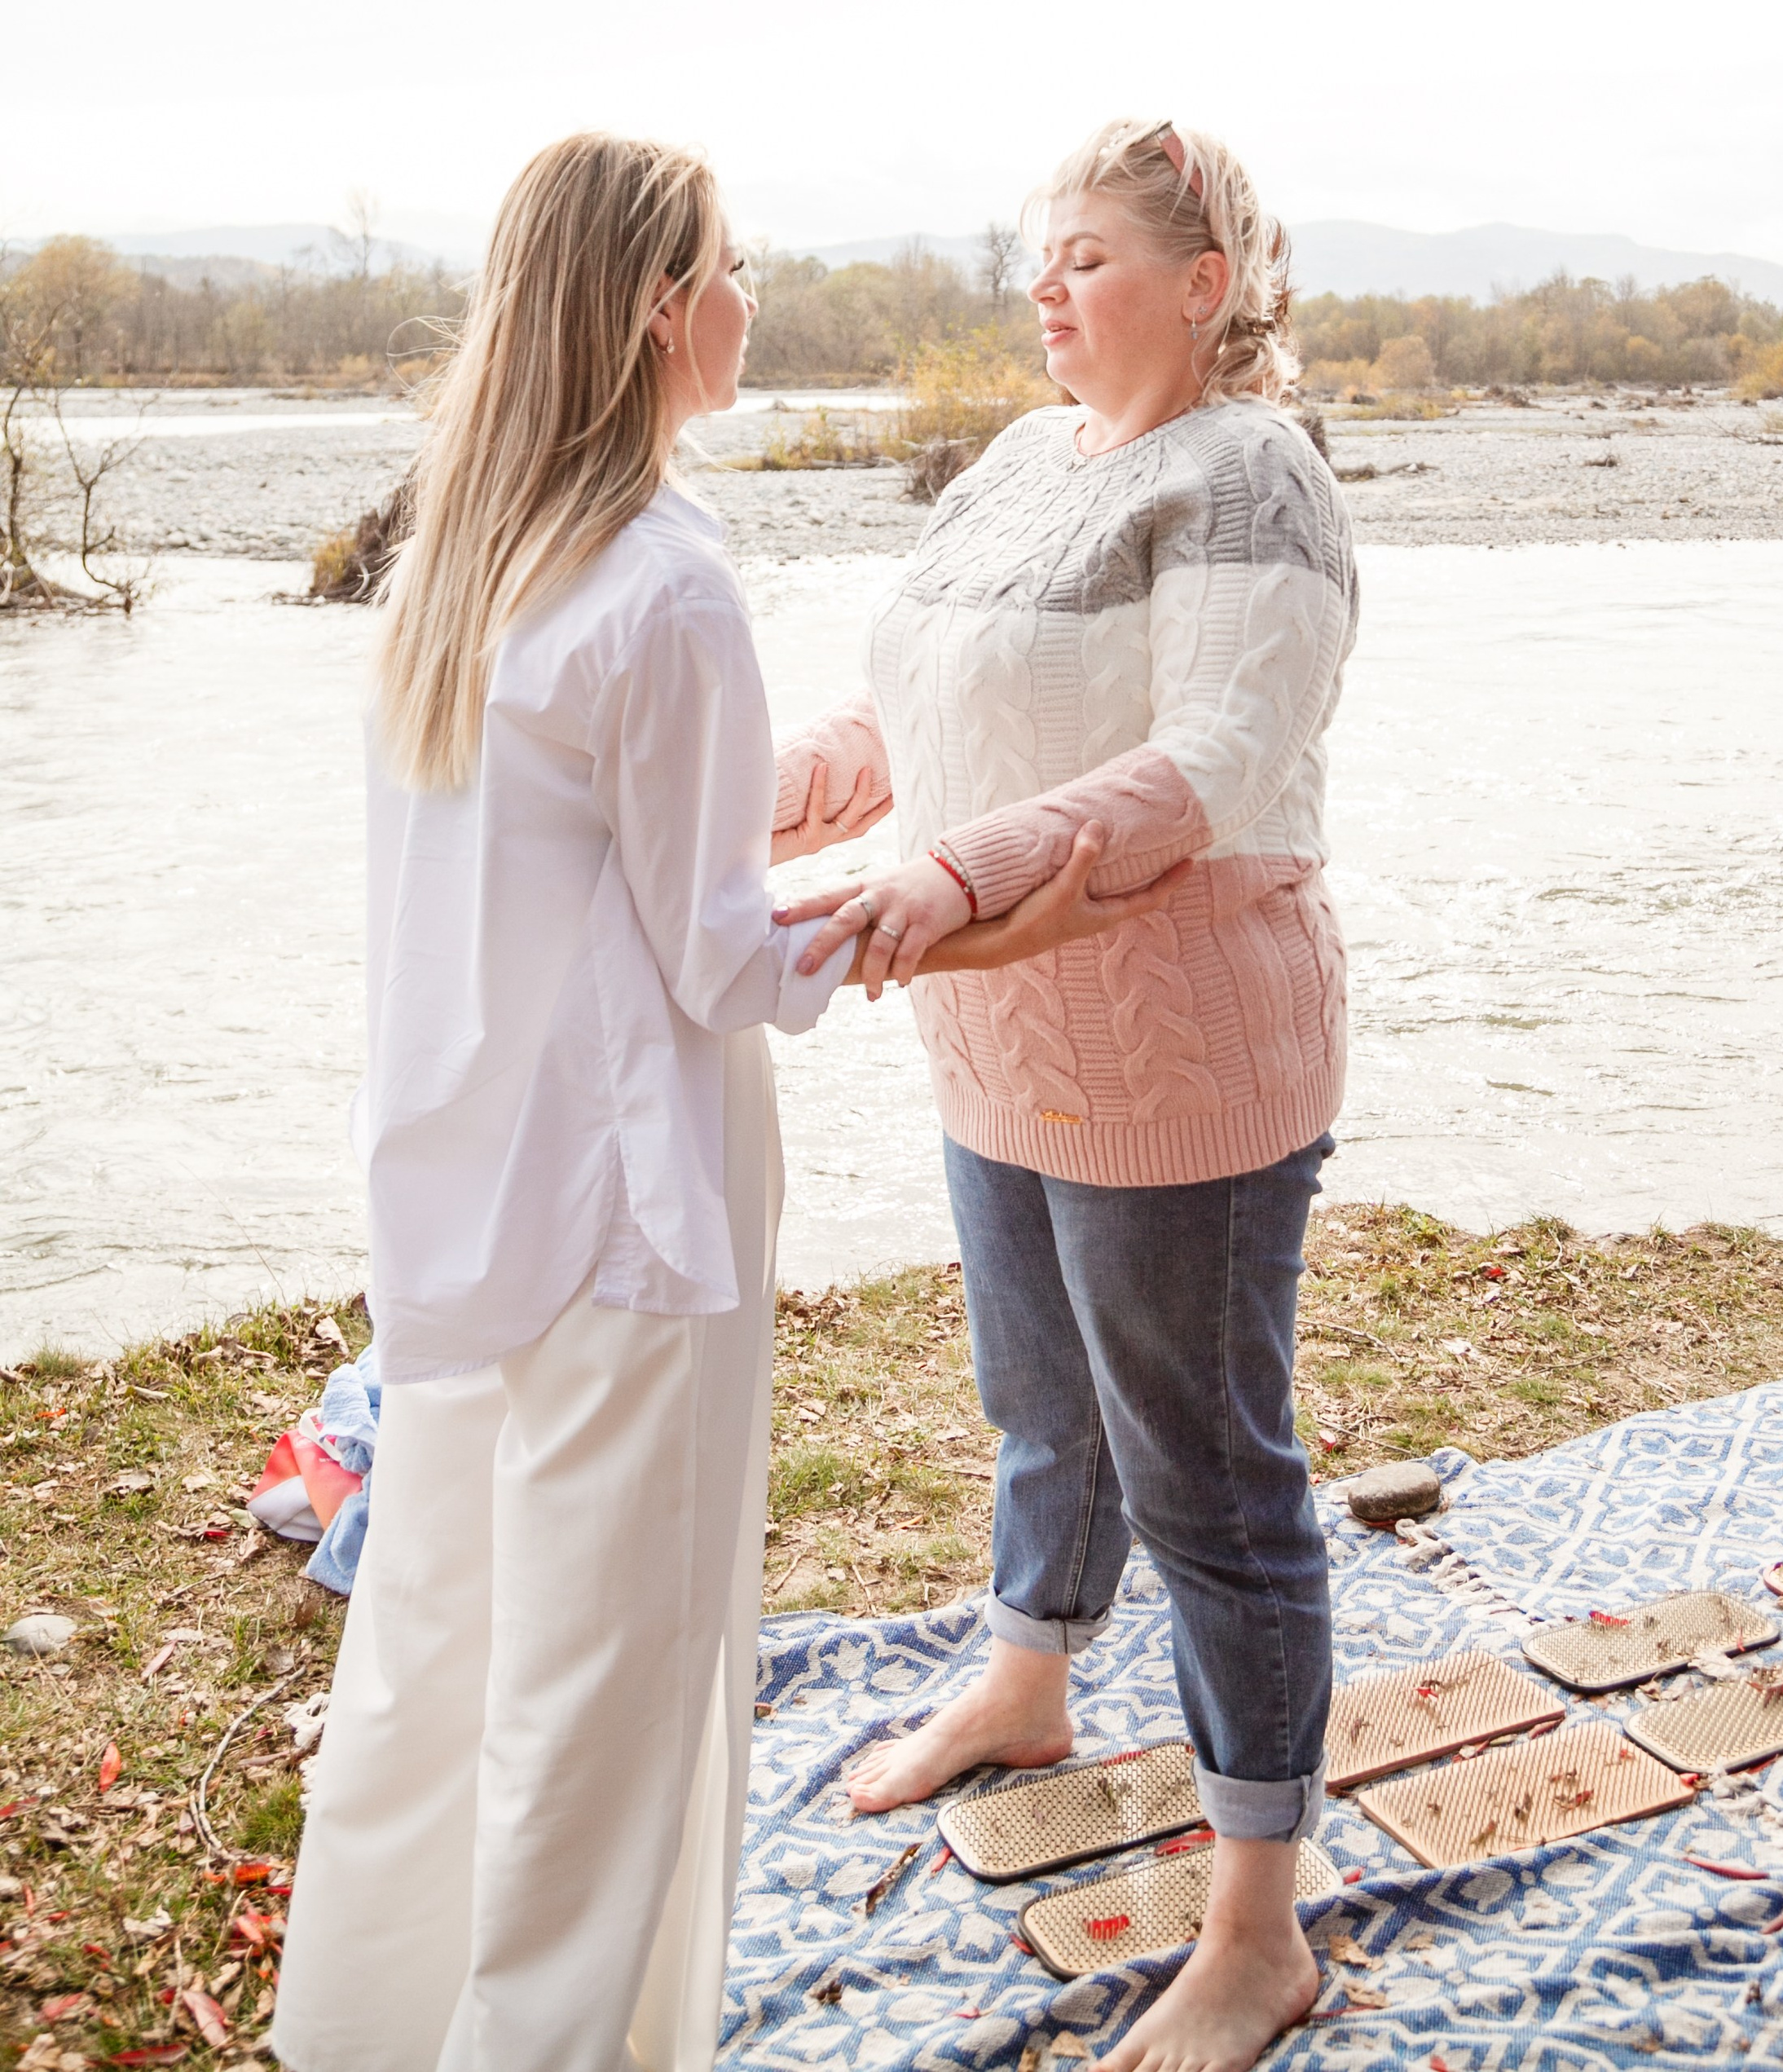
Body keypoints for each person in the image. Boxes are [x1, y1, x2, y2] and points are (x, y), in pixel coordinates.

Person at [271, 130, 1174, 2072]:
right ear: (653, 308)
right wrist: (982, 933)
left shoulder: (462, 554)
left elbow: (546, 877)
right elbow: (712, 966)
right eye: (732, 264)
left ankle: (359, 2030)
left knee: (439, 1654)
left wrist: (762, 798)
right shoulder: (663, 578)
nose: (754, 297)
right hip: (628, 1214)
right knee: (612, 1711)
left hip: (463, 1193)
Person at [776, 118, 1358, 2072]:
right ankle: (1030, 1682)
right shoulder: (1028, 459)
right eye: (1036, 255)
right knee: (1038, 1402)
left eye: (1086, 255)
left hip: (1181, 1048)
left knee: (1209, 1479)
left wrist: (945, 872)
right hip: (996, 1028)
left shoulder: (1253, 475)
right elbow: (942, 695)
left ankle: (1256, 1923)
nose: (1042, 287)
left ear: (1202, 286)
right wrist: (800, 782)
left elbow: (1211, 753)